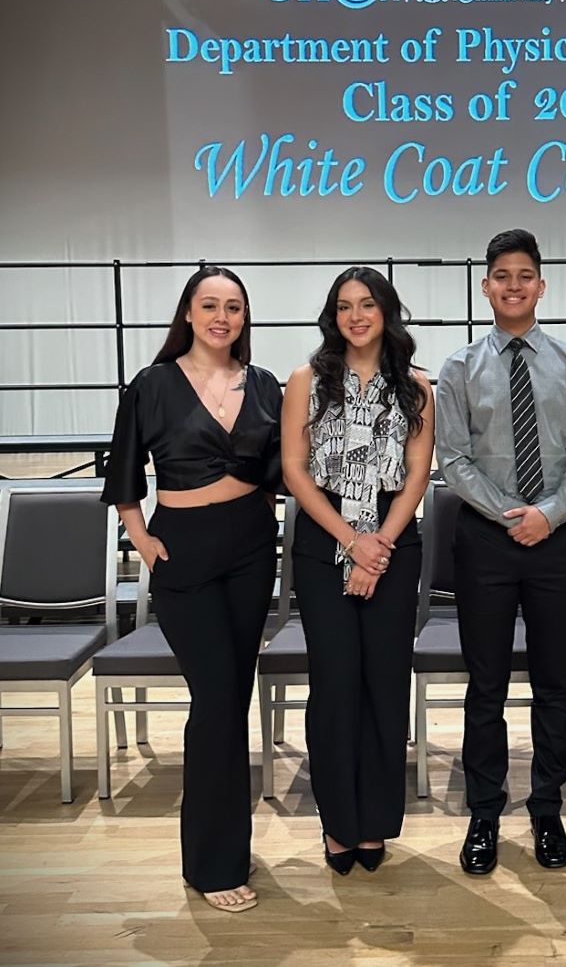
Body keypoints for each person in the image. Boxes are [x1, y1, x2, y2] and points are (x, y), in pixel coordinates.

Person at [101, 266, 283, 913]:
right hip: (181, 547)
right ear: (187, 313)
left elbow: (278, 472)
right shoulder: (151, 385)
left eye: (233, 306)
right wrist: (142, 540)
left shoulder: (264, 384)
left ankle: (223, 848)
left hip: (251, 547)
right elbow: (124, 471)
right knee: (213, 701)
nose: (222, 316)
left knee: (234, 700)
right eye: (209, 304)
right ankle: (211, 864)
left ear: (243, 318)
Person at [435, 228, 566, 874]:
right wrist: (511, 515)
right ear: (486, 286)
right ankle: (483, 813)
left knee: (554, 680)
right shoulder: (459, 368)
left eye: (524, 275)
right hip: (485, 540)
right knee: (486, 683)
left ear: (541, 284)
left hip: (558, 542)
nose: (513, 285)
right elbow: (453, 457)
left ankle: (546, 809)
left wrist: (549, 513)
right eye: (501, 275)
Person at [281, 267, 434, 875]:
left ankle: (375, 824)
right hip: (324, 542)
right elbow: (295, 471)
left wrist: (380, 548)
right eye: (344, 306)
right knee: (336, 687)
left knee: (385, 688)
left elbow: (417, 475)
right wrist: (352, 542)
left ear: (386, 311)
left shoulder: (417, 387)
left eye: (367, 304)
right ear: (333, 316)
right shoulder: (305, 381)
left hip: (395, 548)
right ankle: (338, 826)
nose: (356, 315)